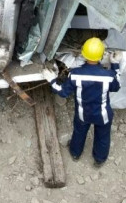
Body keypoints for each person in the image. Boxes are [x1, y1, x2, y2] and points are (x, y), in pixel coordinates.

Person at [43, 37, 121, 167]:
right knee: (103, 136)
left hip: (83, 114)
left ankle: (75, 153)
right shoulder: (109, 76)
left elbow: (62, 92)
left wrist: (51, 80)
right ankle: (99, 160)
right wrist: (115, 64)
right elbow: (117, 86)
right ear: (102, 55)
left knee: (79, 133)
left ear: (84, 55)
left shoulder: (75, 74)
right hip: (103, 115)